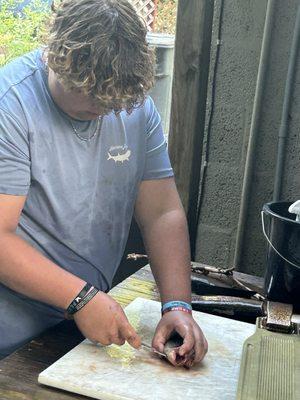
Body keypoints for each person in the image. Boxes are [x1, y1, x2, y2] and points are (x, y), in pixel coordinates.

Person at [0, 0, 208, 366]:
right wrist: (79, 297)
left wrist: (178, 305)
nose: (105, 110)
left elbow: (161, 213)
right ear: (55, 58)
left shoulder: (131, 104)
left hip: (80, 329)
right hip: (11, 339)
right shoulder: (11, 105)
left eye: (114, 104)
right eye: (92, 99)